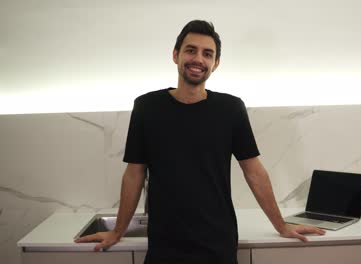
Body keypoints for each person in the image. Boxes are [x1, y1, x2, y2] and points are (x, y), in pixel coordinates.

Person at [75, 19, 325, 263]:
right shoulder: (147, 107)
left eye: (207, 54)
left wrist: (280, 225)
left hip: (217, 245)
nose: (198, 59)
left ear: (215, 64)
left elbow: (254, 172)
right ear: (175, 55)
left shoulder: (231, 109)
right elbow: (134, 174)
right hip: (165, 245)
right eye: (190, 50)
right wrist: (118, 231)